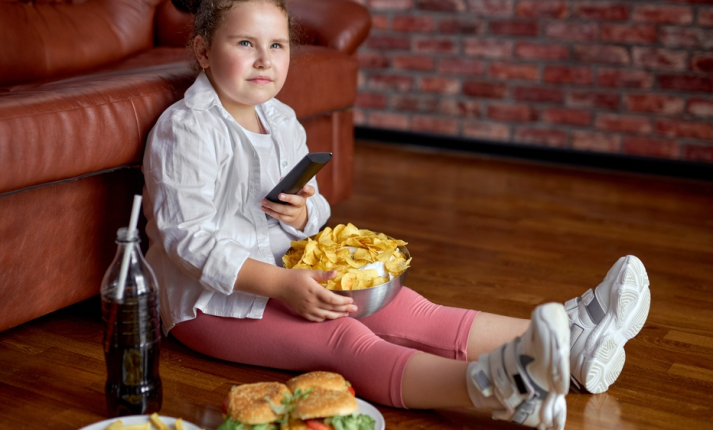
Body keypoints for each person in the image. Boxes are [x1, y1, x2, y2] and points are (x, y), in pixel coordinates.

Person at [141, 1, 652, 429]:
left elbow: (316, 207)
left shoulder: (282, 120)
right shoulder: (187, 128)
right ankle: (498, 389)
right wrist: (278, 284)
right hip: (211, 304)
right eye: (244, 44)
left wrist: (301, 216)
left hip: (291, 275)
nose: (263, 60)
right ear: (204, 50)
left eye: (276, 46)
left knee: (410, 310)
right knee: (345, 339)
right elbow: (187, 238)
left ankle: (574, 338)